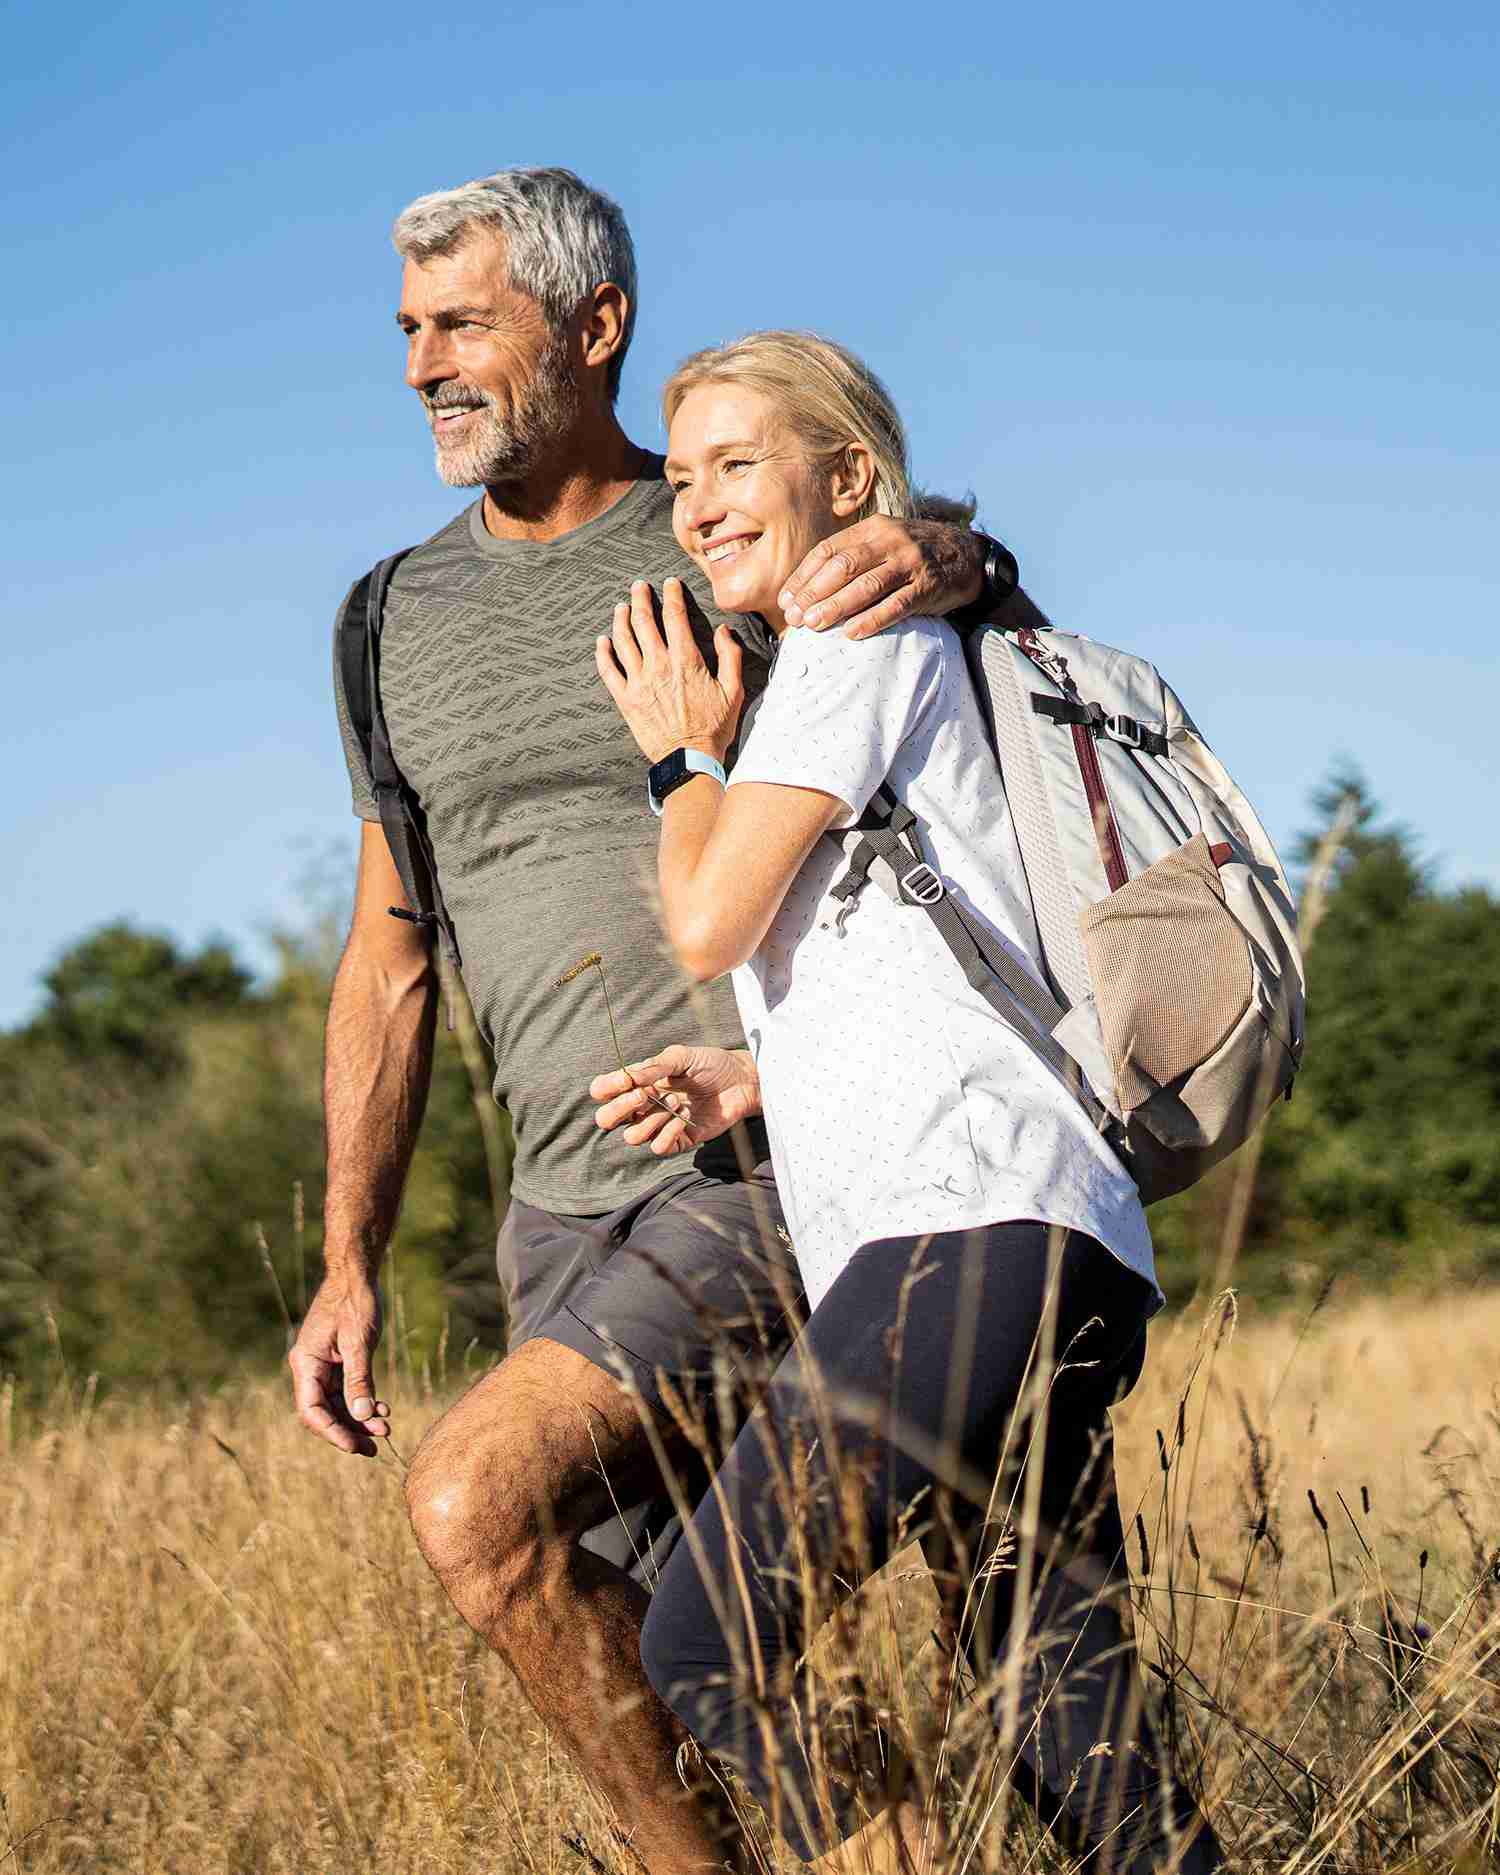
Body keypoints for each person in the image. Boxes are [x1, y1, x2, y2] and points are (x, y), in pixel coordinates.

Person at [286, 168, 1009, 1874]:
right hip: (556, 1204)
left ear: (596, 327)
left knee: (472, 1505)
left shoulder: (709, 530)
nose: (421, 366)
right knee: (702, 1652)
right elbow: (391, 952)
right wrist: (346, 1258)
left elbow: (941, 609)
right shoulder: (386, 617)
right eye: (407, 330)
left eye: (466, 322)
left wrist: (957, 548)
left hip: (752, 1162)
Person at [592, 330, 1224, 1872]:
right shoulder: (882, 651)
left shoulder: (851, 640)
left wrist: (683, 756)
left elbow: (705, 923)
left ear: (849, 478)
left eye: (740, 464)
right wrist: (756, 1075)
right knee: (1074, 1739)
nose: (699, 506)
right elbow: (922, 944)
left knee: (706, 1643)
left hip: (971, 1230)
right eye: (681, 479)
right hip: (1039, 1231)